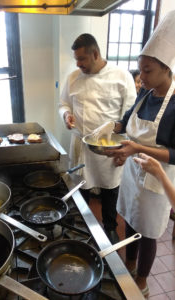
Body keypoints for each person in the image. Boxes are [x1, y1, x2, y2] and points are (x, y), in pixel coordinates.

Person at [92, 10, 175, 297]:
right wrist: (104, 129)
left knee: (149, 231)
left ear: (167, 68)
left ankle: (142, 280)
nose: (141, 77)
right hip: (132, 172)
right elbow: (126, 123)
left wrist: (136, 148)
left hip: (157, 179)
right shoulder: (145, 94)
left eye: (148, 70)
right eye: (140, 70)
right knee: (130, 219)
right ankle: (129, 265)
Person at [59, 33, 136, 244]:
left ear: (95, 54)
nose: (78, 64)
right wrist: (66, 115)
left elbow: (130, 115)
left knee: (110, 188)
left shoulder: (122, 76)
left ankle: (110, 227)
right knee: (80, 186)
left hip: (108, 146)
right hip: (80, 143)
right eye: (76, 60)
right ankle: (82, 226)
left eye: (82, 59)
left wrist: (125, 150)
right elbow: (63, 104)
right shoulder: (73, 77)